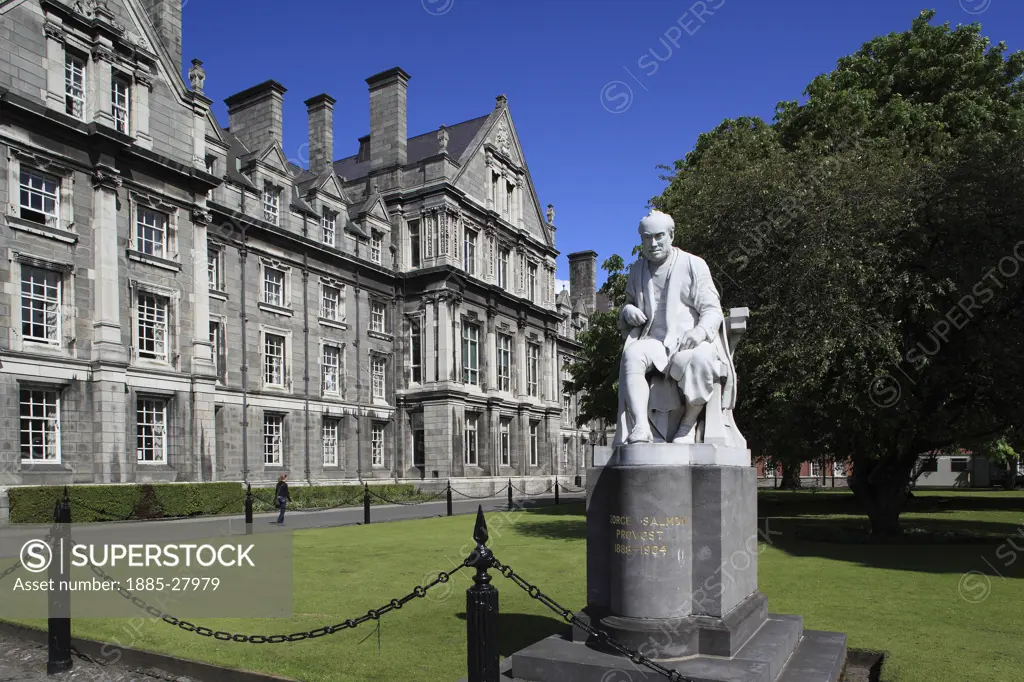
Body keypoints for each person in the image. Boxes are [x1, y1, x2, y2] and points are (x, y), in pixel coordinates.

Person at [614, 210, 731, 445]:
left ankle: (688, 423)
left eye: (659, 236)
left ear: (671, 235)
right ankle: (640, 427)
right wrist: (627, 311)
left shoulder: (694, 264)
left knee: (700, 360)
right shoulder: (637, 270)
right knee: (632, 355)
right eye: (647, 238)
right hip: (652, 341)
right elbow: (627, 305)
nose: (653, 243)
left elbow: (712, 309)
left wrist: (699, 332)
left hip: (689, 340)